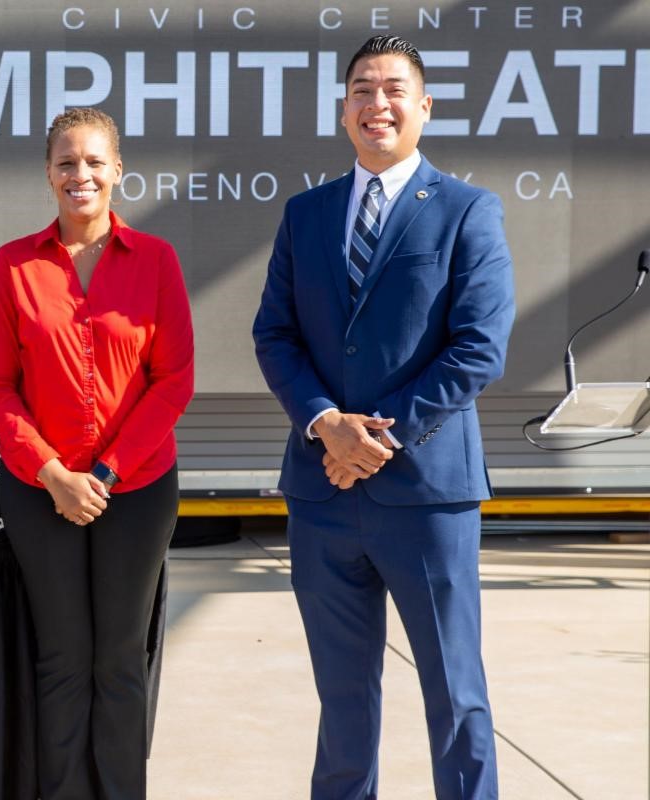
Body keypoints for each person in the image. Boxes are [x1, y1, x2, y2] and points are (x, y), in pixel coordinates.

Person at [253, 35, 515, 800]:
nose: (378, 104)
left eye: (395, 89)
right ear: (343, 111)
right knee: (341, 702)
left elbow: (479, 348)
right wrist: (326, 421)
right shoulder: (306, 215)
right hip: (322, 496)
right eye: (363, 90)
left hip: (427, 497)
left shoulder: (469, 211)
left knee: (456, 698)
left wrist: (374, 437)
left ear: (424, 107)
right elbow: (275, 332)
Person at [0, 107, 194, 800]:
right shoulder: (14, 264)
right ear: (48, 173)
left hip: (136, 489)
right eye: (67, 162)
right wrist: (52, 473)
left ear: (118, 171)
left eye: (95, 161)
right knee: (64, 659)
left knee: (120, 661)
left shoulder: (155, 259)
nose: (81, 175)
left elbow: (174, 380)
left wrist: (102, 472)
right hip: (40, 492)